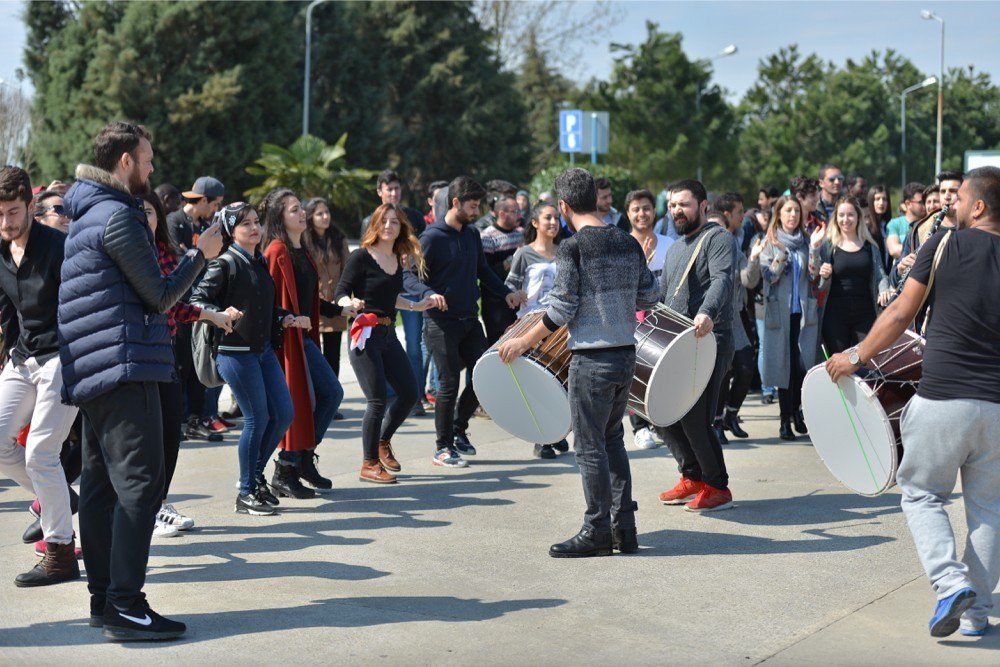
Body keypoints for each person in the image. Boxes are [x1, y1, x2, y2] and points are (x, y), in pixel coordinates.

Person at [59, 120, 223, 640]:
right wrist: (202, 255)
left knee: (104, 486)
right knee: (140, 487)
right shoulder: (117, 215)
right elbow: (159, 294)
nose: (152, 169)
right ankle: (126, 606)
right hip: (124, 365)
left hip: (100, 367)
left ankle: (105, 600)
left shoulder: (88, 212)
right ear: (125, 161)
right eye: (147, 160)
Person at [826, 166, 1000, 638]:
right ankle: (978, 613)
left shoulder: (944, 243)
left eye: (959, 197)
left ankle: (949, 584)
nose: (951, 205)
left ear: (978, 206)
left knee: (922, 495)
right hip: (997, 407)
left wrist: (856, 355)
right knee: (988, 510)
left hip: (944, 396)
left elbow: (901, 311)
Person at [498, 167, 660, 557]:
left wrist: (522, 341)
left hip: (590, 360)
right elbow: (650, 298)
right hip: (625, 355)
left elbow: (561, 309)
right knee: (612, 442)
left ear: (565, 206)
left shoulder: (573, 248)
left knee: (590, 448)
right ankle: (625, 528)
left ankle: (597, 530)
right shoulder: (627, 242)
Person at [191, 202, 309, 516]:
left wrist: (286, 318)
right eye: (245, 224)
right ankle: (246, 492)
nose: (254, 228)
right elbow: (194, 299)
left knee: (283, 414)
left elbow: (264, 307)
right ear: (231, 230)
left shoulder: (256, 261)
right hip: (234, 353)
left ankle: (253, 478)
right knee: (257, 419)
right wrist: (218, 314)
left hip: (262, 352)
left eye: (256, 222)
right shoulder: (224, 263)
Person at [0, 166, 80, 587]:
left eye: (13, 212)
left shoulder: (59, 248)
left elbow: (83, 309)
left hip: (62, 360)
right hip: (22, 359)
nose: (6, 223)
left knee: (40, 456)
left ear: (31, 206)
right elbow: (6, 310)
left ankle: (61, 557)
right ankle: (61, 498)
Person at [141, 191, 236, 537]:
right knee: (142, 442)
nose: (145, 218)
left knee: (170, 435)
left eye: (150, 211)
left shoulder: (165, 251)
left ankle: (157, 505)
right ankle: (146, 510)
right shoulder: (127, 252)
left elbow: (174, 301)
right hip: (135, 359)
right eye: (139, 212)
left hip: (164, 353)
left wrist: (209, 315)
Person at [412, 176, 522, 467]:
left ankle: (459, 430)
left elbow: (483, 271)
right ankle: (442, 447)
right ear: (455, 202)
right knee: (448, 384)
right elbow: (410, 276)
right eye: (472, 206)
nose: (476, 212)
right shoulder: (431, 238)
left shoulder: (472, 234)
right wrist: (428, 293)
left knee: (483, 375)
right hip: (440, 323)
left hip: (469, 319)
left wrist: (507, 293)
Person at [335, 204, 443, 483]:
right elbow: (341, 292)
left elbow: (391, 298)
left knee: (409, 392)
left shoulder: (397, 259)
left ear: (400, 228)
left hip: (387, 334)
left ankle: (383, 441)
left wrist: (416, 305)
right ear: (375, 226)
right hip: (364, 333)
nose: (389, 226)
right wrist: (350, 303)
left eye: (394, 222)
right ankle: (369, 463)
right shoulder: (361, 257)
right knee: (377, 399)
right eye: (383, 222)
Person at [654, 180, 736, 512]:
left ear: (703, 206)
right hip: (675, 342)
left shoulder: (718, 239)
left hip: (709, 339)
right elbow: (661, 295)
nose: (676, 210)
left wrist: (706, 312)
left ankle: (717, 486)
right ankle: (692, 476)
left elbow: (723, 280)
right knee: (660, 413)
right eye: (673, 205)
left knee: (694, 418)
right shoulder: (674, 248)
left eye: (684, 204)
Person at [260, 188, 346, 497]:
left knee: (330, 394)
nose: (302, 213)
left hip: (304, 339)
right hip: (285, 341)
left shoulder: (301, 249)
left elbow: (309, 299)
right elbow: (265, 302)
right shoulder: (276, 251)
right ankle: (287, 468)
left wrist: (339, 310)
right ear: (279, 217)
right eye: (294, 209)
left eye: (300, 208)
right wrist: (286, 322)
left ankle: (302, 458)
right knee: (306, 401)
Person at [361, 170, 427, 416]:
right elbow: (365, 256)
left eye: (397, 188)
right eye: (388, 189)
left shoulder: (414, 217)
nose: (393, 193)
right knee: (382, 343)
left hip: (410, 290)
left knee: (413, 347)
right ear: (379, 191)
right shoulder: (369, 220)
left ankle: (416, 397)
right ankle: (389, 395)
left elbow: (423, 248)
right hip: (381, 295)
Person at [166, 176, 227, 442]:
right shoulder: (173, 222)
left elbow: (206, 258)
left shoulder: (204, 225)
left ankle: (196, 420)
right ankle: (177, 421)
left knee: (196, 362)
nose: (216, 211)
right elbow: (180, 262)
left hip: (199, 303)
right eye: (215, 204)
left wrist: (194, 254)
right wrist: (196, 254)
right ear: (202, 200)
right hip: (179, 304)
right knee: (180, 365)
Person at [503, 202, 566, 459]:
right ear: (535, 223)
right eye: (548, 218)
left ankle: (557, 433)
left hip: (560, 325)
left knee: (560, 382)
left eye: (557, 218)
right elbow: (510, 285)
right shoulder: (524, 254)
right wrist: (513, 296)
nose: (553, 222)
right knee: (539, 384)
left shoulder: (565, 252)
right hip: (532, 326)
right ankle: (541, 439)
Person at [757, 196, 819, 441]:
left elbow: (814, 276)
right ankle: (785, 420)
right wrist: (781, 256)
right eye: (788, 211)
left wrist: (814, 249)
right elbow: (768, 278)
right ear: (779, 215)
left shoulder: (806, 242)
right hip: (779, 314)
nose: (792, 215)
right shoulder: (769, 243)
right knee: (784, 368)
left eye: (796, 211)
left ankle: (796, 413)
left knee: (801, 367)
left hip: (802, 313)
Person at [625, 188, 672, 451]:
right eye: (636, 209)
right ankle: (639, 428)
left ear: (654, 211)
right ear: (628, 213)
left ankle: (658, 423)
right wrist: (641, 265)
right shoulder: (623, 246)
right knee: (635, 373)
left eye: (646, 208)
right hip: (633, 322)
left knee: (661, 374)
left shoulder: (669, 244)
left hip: (664, 320)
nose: (641, 214)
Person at [812, 198, 891, 355]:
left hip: (865, 314)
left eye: (850, 215)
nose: (845, 219)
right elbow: (817, 284)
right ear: (835, 218)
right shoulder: (828, 246)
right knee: (838, 363)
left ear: (858, 217)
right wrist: (824, 275)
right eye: (841, 215)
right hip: (835, 316)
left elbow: (881, 275)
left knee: (864, 360)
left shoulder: (870, 246)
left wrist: (884, 289)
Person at [713, 193, 758, 443]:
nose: (742, 215)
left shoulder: (733, 245)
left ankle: (731, 415)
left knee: (745, 367)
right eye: (739, 211)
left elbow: (748, 280)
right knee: (723, 371)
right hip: (710, 319)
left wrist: (754, 258)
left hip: (736, 316)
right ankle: (717, 422)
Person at [304, 197, 350, 378]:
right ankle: (316, 398)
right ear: (310, 217)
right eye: (319, 213)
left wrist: (342, 296)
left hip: (336, 304)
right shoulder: (304, 240)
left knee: (333, 356)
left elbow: (347, 271)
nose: (325, 217)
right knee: (313, 355)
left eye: (327, 212)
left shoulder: (338, 239)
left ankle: (333, 399)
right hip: (314, 305)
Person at [480, 194, 524, 345]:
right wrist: (512, 260)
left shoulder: (521, 234)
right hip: (496, 304)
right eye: (515, 211)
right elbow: (485, 272)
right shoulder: (486, 237)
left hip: (520, 300)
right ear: (502, 214)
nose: (519, 215)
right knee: (499, 345)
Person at [885, 182, 926, 260]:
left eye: (925, 201)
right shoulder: (894, 224)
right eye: (921, 202)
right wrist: (923, 250)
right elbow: (894, 250)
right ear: (908, 204)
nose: (925, 205)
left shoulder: (929, 222)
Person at [866, 185, 893, 271]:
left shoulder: (889, 226)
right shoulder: (866, 227)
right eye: (877, 199)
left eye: (884, 199)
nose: (881, 203)